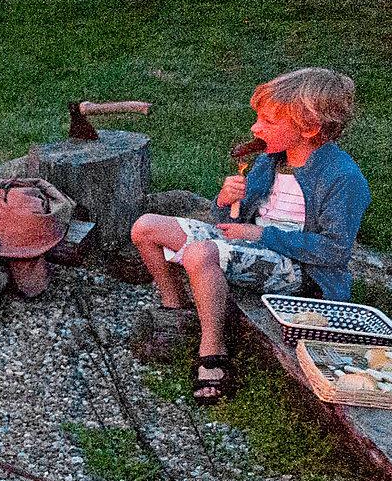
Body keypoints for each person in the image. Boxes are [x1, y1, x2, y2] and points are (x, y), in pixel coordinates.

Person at [129, 67, 369, 403]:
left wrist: (259, 235)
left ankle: (213, 348)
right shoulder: (271, 160)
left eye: (269, 121)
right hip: (253, 244)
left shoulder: (341, 177)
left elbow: (333, 251)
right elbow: (229, 219)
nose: (255, 128)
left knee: (201, 254)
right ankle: (176, 309)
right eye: (258, 118)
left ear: (311, 128)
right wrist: (226, 202)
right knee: (146, 226)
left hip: (300, 270)